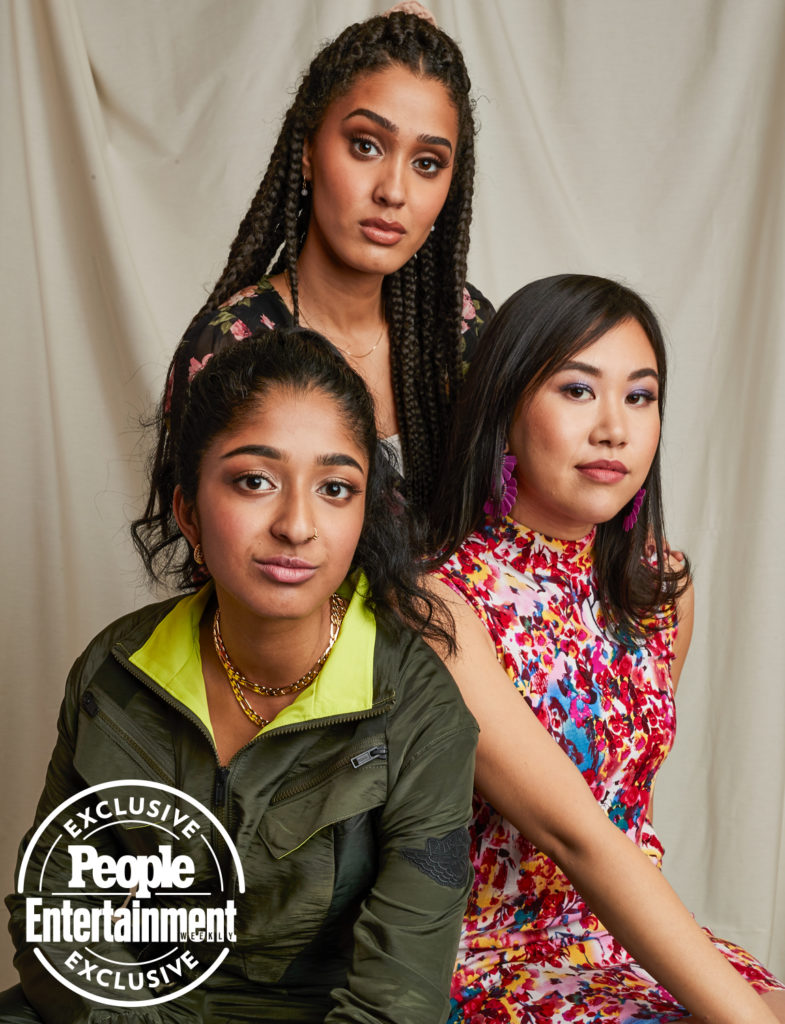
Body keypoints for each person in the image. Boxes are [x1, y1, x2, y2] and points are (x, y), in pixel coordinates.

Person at [4, 330, 479, 1023]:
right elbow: (58, 911)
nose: (295, 525)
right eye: (255, 481)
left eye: (335, 488)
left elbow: (398, 998)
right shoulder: (115, 671)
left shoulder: (418, 708)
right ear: (189, 510)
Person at [427, 275, 785, 1022]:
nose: (614, 429)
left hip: (621, 942)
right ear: (506, 407)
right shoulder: (441, 603)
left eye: (639, 396)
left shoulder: (657, 586)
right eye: (577, 391)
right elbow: (578, 835)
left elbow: (628, 805)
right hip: (491, 958)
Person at [149, 6, 492, 549]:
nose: (393, 191)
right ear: (308, 149)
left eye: (427, 162)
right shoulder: (233, 346)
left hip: (464, 630)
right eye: (366, 145)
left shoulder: (463, 327)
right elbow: (226, 565)